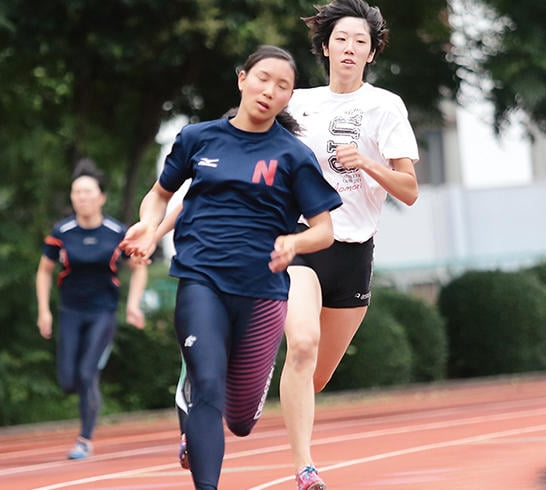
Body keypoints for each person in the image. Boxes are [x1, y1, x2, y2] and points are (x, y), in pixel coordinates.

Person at [120, 45, 342, 490]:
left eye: (283, 86)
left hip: (262, 291)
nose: (269, 90)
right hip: (201, 278)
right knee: (206, 385)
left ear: (288, 98)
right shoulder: (197, 139)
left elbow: (325, 231)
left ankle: (221, 416)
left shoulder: (293, 156)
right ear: (242, 79)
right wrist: (148, 226)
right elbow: (161, 194)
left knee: (238, 420)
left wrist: (293, 242)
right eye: (262, 78)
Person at [281, 1, 420, 488]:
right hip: (302, 243)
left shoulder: (386, 106)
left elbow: (409, 190)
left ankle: (252, 383)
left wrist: (367, 163)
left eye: (360, 41)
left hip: (355, 252)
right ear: (325, 46)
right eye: (341, 39)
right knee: (301, 344)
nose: (350, 48)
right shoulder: (296, 103)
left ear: (371, 52)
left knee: (315, 377)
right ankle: (304, 467)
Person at [35, 158, 148, 460]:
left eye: (87, 192)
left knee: (86, 374)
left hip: (103, 312)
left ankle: (84, 439)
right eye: (76, 192)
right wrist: (44, 311)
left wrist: (134, 305)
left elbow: (139, 268)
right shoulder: (62, 231)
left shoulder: (116, 232)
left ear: (101, 197)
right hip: (70, 311)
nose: (81, 198)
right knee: (68, 381)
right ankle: (85, 380)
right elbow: (44, 271)